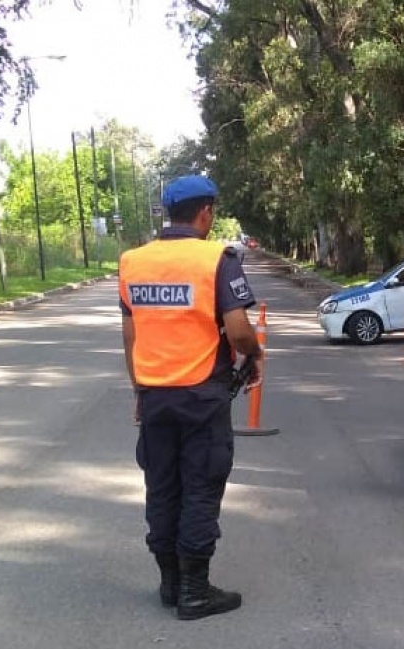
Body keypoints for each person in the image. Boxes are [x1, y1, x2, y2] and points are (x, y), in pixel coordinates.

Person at [118, 174, 264, 621]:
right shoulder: (217, 258)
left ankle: (169, 583)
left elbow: (130, 336)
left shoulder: (132, 262)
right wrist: (255, 354)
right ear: (206, 212)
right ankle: (195, 591)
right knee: (200, 487)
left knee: (162, 487)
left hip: (155, 396)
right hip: (202, 396)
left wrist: (139, 388)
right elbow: (238, 331)